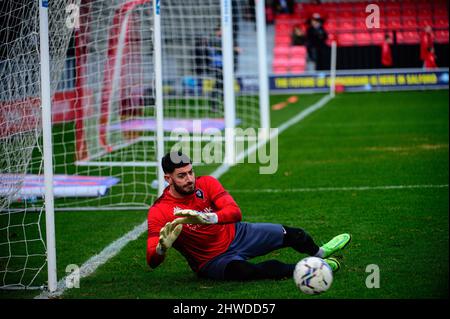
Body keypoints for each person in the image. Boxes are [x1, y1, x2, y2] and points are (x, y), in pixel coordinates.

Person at [146, 151, 352, 281]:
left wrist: (207, 218)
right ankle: (315, 269)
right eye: (182, 176)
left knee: (295, 235)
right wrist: (161, 249)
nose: (190, 179)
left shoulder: (206, 183)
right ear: (168, 178)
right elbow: (152, 261)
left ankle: (320, 253)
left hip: (238, 234)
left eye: (191, 172)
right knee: (247, 272)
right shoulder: (160, 211)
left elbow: (235, 212)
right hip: (211, 260)